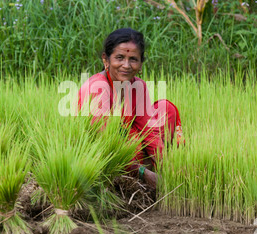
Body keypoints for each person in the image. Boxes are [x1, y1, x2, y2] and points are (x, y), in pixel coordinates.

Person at [77, 28, 184, 190]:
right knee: (132, 143)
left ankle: (161, 164)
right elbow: (104, 142)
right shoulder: (97, 88)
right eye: (119, 58)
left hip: (125, 139)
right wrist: (144, 174)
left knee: (166, 109)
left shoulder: (137, 86)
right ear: (106, 60)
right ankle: (136, 171)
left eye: (133, 59)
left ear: (141, 63)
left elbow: (150, 131)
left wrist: (168, 166)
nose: (126, 65)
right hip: (101, 152)